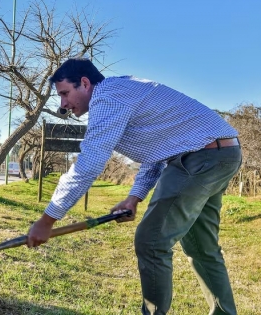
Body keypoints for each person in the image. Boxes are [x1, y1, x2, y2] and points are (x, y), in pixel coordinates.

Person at [27, 58, 241, 315]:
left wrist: (47, 220)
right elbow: (158, 151)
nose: (62, 104)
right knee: (201, 247)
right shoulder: (122, 92)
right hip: (222, 153)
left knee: (151, 240)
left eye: (64, 93)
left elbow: (89, 164)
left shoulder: (106, 97)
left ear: (84, 83)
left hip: (202, 157)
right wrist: (134, 198)